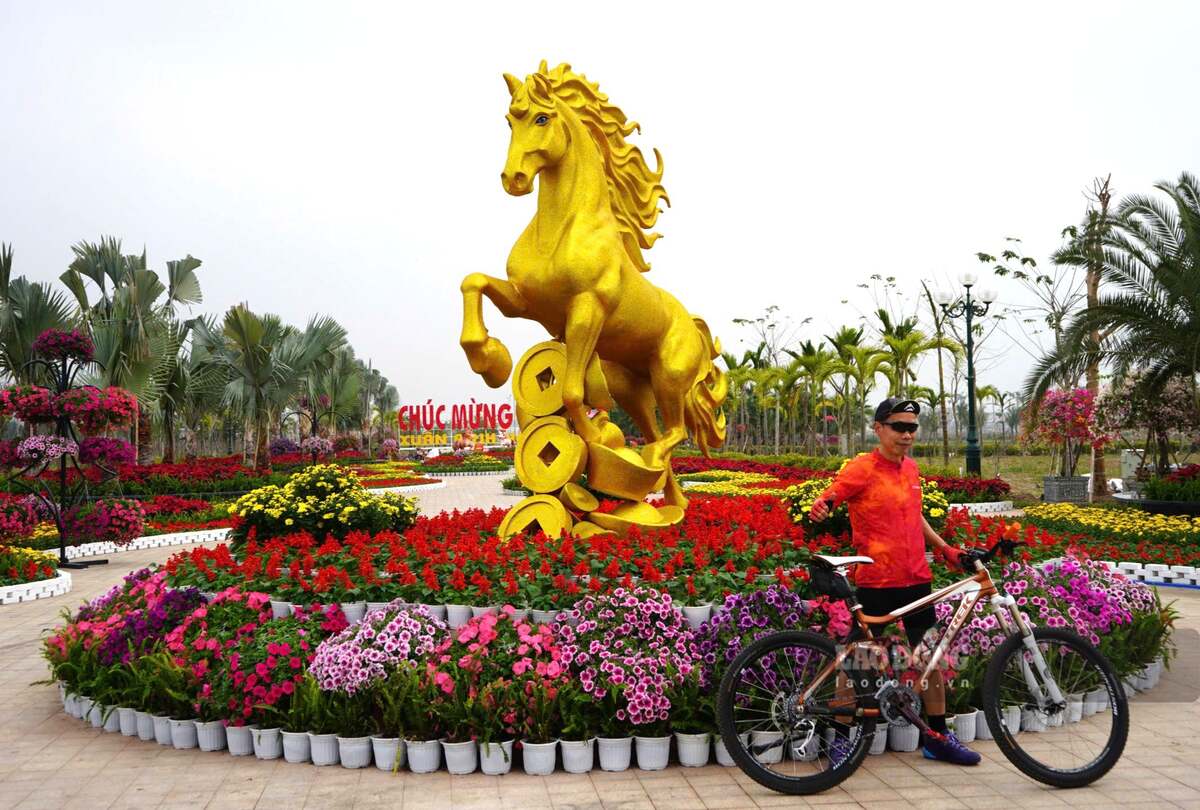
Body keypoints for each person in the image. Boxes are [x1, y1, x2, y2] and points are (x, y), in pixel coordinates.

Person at [809, 397, 980, 766]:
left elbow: (915, 518)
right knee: (859, 666)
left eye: (912, 427)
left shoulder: (911, 469)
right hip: (876, 582)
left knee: (931, 660)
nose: (906, 434)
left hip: (916, 578)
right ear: (879, 429)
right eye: (899, 427)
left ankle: (937, 738)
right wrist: (823, 504)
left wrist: (948, 550)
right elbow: (834, 493)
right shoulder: (862, 467)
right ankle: (840, 741)